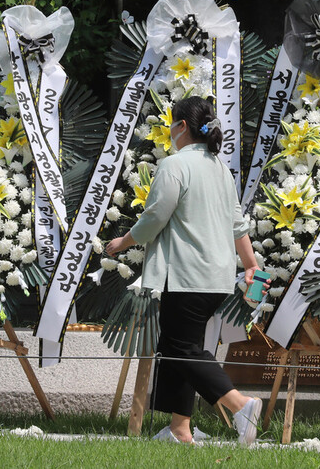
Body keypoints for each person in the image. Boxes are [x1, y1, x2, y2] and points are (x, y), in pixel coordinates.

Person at [106, 96, 268, 445]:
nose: (169, 129)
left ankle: (241, 405)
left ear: (181, 126)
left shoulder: (174, 165)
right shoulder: (219, 168)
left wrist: (124, 241)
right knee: (185, 347)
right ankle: (180, 430)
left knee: (177, 348)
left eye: (171, 123)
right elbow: (237, 224)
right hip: (217, 276)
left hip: (186, 274)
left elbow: (155, 216)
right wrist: (252, 264)